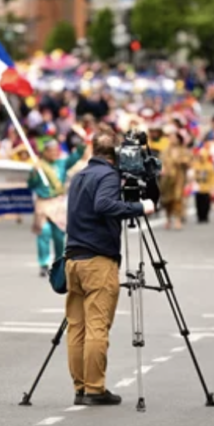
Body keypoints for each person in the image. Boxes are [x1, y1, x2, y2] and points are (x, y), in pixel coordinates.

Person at [63, 130, 155, 406]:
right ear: (117, 154)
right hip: (97, 261)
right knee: (97, 326)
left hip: (73, 259)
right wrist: (139, 207)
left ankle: (81, 388)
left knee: (77, 328)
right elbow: (103, 204)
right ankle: (95, 389)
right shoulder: (107, 176)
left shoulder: (80, 176)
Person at [29, 139, 86, 277]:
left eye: (56, 151)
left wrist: (81, 144)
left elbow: (76, 156)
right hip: (43, 202)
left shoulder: (62, 163)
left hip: (58, 203)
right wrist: (34, 174)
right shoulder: (38, 166)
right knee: (44, 231)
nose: (54, 153)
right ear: (45, 152)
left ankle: (58, 262)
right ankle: (43, 263)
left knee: (58, 235)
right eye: (51, 151)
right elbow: (31, 184)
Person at [159, 126, 192, 230]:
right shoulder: (165, 151)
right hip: (167, 178)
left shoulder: (184, 151)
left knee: (178, 198)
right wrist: (162, 169)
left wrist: (182, 162)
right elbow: (161, 163)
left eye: (174, 137)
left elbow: (189, 162)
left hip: (179, 178)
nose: (172, 139)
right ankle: (168, 218)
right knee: (167, 200)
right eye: (171, 137)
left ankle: (178, 219)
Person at [191, 149, 214, 223]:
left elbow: (213, 177)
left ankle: (205, 216)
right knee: (198, 203)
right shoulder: (196, 165)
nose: (201, 158)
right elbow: (193, 175)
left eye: (202, 156)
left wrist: (212, 186)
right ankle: (199, 216)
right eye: (200, 156)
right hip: (198, 188)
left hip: (206, 188)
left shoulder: (210, 166)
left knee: (206, 203)